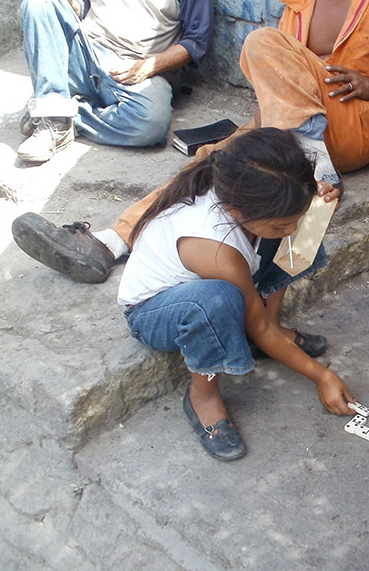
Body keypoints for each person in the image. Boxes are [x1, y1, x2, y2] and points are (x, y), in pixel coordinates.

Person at [11, 0, 369, 282]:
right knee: (211, 160)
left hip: (364, 122)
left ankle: (315, 164)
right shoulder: (299, 3)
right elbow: (282, 87)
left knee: (260, 40)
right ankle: (109, 243)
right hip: (294, 129)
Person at [117, 128, 355, 461]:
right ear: (237, 213)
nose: (289, 232)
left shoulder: (253, 189)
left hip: (224, 280)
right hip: (159, 313)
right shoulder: (214, 250)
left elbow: (295, 214)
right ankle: (204, 394)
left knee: (307, 222)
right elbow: (248, 316)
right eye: (278, 226)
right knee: (219, 301)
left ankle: (266, 334)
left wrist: (316, 205)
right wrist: (322, 376)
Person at [16, 0, 214, 163]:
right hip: (86, 52)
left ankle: (64, 112)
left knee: (149, 124)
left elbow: (196, 42)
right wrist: (73, 4)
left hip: (136, 65)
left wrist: (148, 66)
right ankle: (54, 119)